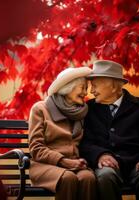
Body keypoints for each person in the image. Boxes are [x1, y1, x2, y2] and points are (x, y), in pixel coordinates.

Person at [79, 60, 139, 200]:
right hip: (107, 168)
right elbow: (84, 142)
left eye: (95, 86)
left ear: (112, 86)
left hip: (138, 164)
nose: (91, 91)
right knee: (105, 175)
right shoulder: (88, 109)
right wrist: (100, 155)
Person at [28, 67, 97, 200]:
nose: (85, 93)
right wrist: (63, 161)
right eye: (82, 87)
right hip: (45, 166)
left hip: (75, 164)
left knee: (88, 178)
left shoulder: (81, 112)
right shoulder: (41, 109)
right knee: (68, 178)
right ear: (67, 88)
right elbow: (36, 148)